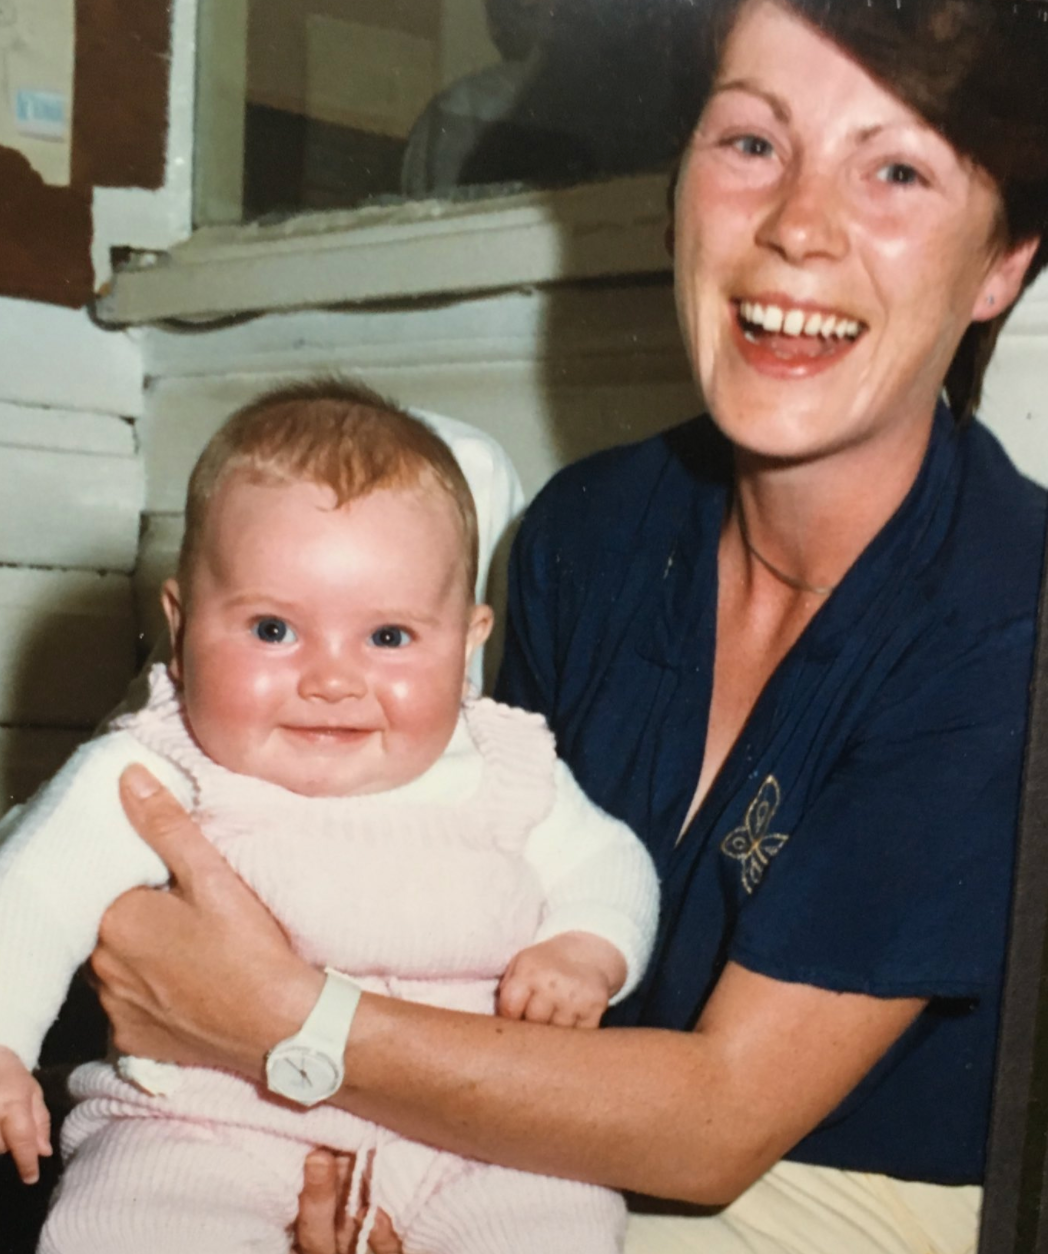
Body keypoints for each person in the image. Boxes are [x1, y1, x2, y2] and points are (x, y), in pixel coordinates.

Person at [84, 0, 1048, 1251]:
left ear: (999, 266)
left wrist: (282, 1025)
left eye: (898, 169)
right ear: (674, 193)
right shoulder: (590, 534)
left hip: (837, 1198)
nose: (798, 227)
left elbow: (717, 1125)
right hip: (514, 1141)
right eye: (751, 144)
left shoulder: (1006, 613)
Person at [0, 381, 659, 1253]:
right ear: (180, 624)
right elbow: (35, 891)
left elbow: (612, 866)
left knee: (560, 1214)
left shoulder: (503, 768)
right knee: (131, 1219)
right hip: (208, 1123)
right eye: (274, 630)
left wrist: (584, 947)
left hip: (470, 1129)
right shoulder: (157, 763)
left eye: (388, 637)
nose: (332, 680)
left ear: (468, 642)